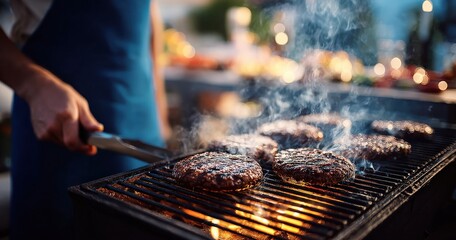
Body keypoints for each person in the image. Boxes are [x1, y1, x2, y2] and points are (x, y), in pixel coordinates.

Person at [0, 0, 169, 239]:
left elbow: (150, 12)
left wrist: (159, 106)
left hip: (144, 120)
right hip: (57, 135)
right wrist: (32, 85)